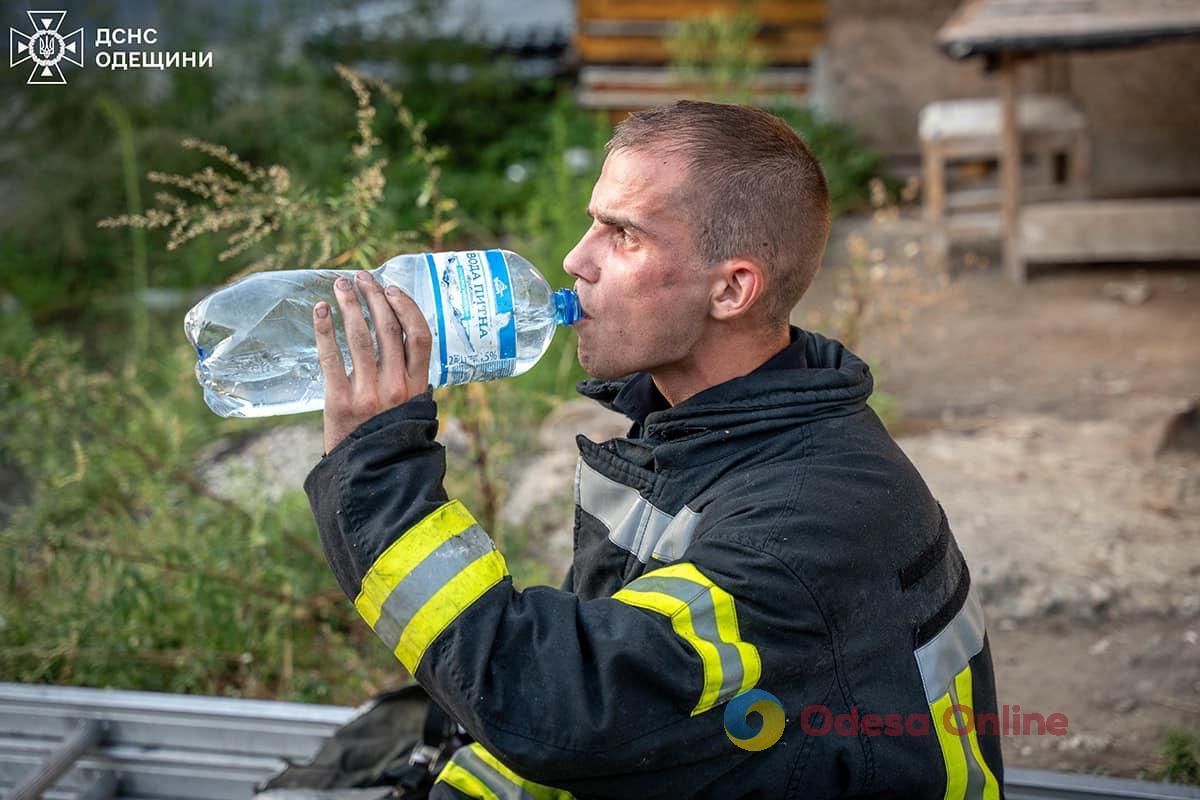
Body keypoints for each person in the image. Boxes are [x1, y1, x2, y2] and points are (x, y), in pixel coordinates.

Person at [305, 100, 1004, 799]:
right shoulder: (705, 435)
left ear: (731, 288)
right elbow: (614, 699)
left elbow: (556, 712)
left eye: (623, 235)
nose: (576, 259)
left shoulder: (799, 528)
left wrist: (377, 467)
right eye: (593, 223)